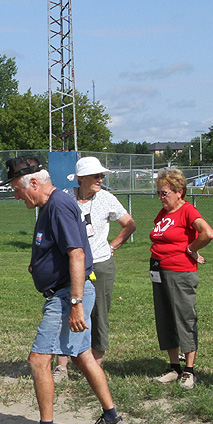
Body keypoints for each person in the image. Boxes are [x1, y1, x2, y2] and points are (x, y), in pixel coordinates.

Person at [3, 156, 127, 424]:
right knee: (84, 357)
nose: (17, 196)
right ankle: (112, 420)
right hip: (66, 293)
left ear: (34, 182)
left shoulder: (58, 205)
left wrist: (74, 305)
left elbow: (77, 255)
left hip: (66, 296)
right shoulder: (50, 206)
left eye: (18, 190)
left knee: (37, 360)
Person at [53, 157, 136, 381]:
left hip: (100, 263)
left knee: (99, 314)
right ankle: (61, 366)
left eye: (102, 176)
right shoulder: (64, 197)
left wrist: (112, 246)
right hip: (70, 264)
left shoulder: (107, 198)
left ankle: (94, 367)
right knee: (67, 311)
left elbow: (129, 224)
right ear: (81, 178)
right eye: (95, 176)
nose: (100, 179)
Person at [149, 169, 213, 389]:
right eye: (158, 193)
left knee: (184, 318)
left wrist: (191, 249)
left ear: (179, 192)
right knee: (165, 317)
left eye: (164, 193)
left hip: (180, 272)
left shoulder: (187, 210)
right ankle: (173, 367)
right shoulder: (162, 213)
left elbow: (208, 232)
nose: (160, 197)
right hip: (159, 270)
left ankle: (189, 370)